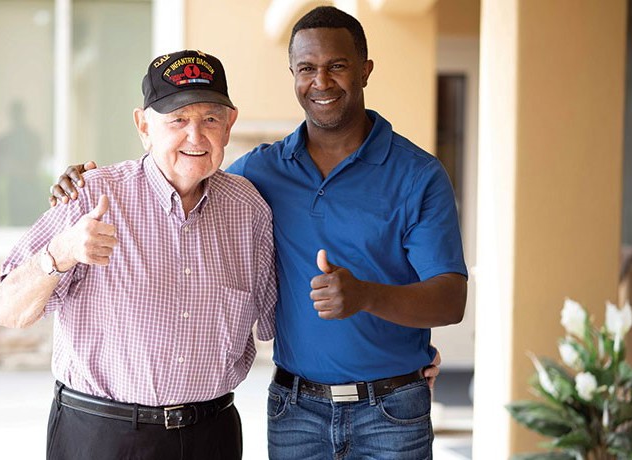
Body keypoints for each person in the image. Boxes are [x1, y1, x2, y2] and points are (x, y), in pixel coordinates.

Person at [50, 6, 467, 459]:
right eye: (307, 68)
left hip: (392, 410)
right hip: (297, 410)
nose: (321, 81)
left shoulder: (418, 175)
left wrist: (366, 296)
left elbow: (450, 299)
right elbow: (180, 177)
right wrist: (83, 181)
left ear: (365, 71)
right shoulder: (260, 173)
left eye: (338, 66)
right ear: (293, 74)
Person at [0, 49, 277, 460]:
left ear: (229, 126)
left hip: (211, 436)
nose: (195, 136)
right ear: (144, 126)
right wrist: (63, 251)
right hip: (102, 436)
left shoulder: (249, 209)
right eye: (177, 120)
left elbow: (276, 322)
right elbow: (7, 310)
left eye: (210, 119)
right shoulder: (90, 195)